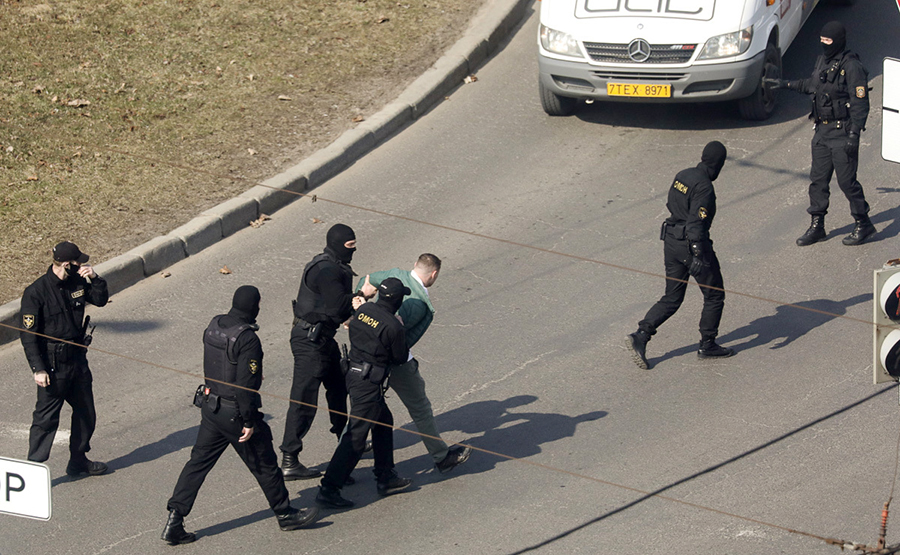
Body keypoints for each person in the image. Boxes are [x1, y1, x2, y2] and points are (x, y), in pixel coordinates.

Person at [162, 286, 318, 546]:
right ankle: (285, 513)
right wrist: (248, 421)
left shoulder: (215, 325)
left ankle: (175, 519)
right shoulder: (247, 339)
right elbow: (245, 386)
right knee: (265, 464)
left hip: (211, 408)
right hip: (235, 413)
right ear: (254, 307)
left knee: (197, 464)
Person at [356, 254, 470, 473]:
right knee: (420, 408)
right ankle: (441, 457)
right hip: (397, 363)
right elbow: (401, 338)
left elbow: (367, 280)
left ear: (415, 266)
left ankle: (349, 452)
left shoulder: (394, 275)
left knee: (362, 409)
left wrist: (361, 303)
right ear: (434, 274)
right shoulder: (418, 304)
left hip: (366, 354)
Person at [627, 141, 736, 370]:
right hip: (690, 244)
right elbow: (697, 224)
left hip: (671, 242)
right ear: (718, 164)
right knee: (714, 294)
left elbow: (671, 203)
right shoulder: (705, 187)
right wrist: (697, 255)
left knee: (672, 297)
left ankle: (641, 335)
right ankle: (708, 344)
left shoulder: (683, 175)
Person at [765, 21, 874, 246]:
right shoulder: (823, 60)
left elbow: (860, 102)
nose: (824, 45)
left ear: (839, 41)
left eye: (828, 41)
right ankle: (818, 225)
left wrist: (854, 134)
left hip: (842, 132)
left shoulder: (852, 66)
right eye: (822, 41)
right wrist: (784, 84)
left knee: (847, 182)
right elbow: (812, 85)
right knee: (818, 181)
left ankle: (863, 223)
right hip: (822, 132)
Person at [280, 224, 376, 480]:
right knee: (304, 400)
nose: (353, 252)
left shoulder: (335, 265)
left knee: (338, 388)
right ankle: (290, 458)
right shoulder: (326, 269)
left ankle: (347, 442)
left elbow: (338, 311)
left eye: (355, 246)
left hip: (323, 339)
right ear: (337, 245)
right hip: (309, 341)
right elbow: (337, 307)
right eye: (349, 247)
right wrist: (362, 296)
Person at [315, 278, 413, 509]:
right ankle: (329, 488)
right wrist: (400, 328)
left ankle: (386, 476)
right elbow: (399, 357)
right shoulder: (393, 326)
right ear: (398, 300)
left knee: (383, 421)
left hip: (353, 373)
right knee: (356, 437)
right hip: (369, 381)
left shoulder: (365, 309)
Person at [21, 241, 109, 477]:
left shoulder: (78, 281)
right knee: (45, 420)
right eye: (79, 262)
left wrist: (95, 278)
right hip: (53, 365)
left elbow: (100, 299)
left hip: (77, 361)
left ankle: (78, 461)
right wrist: (38, 369)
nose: (83, 264)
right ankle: (32, 473)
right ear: (67, 264)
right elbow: (28, 336)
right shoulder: (36, 293)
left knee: (86, 414)